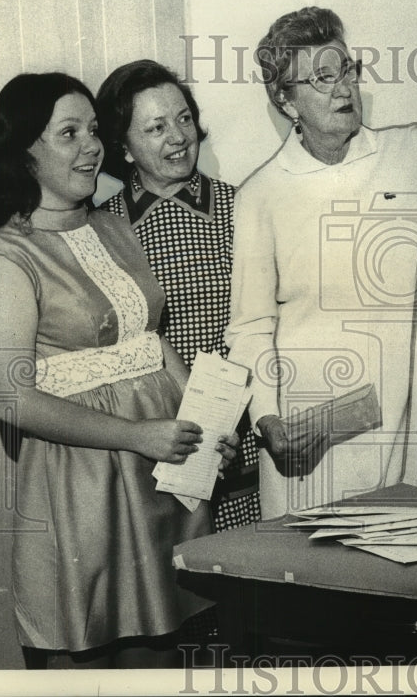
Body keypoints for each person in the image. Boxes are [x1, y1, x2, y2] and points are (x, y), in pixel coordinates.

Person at [0, 72, 236, 668]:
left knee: (175, 650)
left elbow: (149, 339)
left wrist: (207, 420)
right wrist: (138, 437)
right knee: (101, 654)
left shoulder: (115, 227)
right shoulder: (7, 258)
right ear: (24, 155)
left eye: (93, 130)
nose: (91, 145)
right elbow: (14, 402)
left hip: (166, 479)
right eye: (69, 133)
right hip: (84, 485)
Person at [225, 7, 417, 518]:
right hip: (309, 438)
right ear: (284, 99)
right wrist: (268, 420)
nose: (343, 88)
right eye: (320, 78)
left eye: (345, 70)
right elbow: (250, 327)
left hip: (411, 425)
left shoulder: (413, 152)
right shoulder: (260, 195)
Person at [97, 60, 259, 531]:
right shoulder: (103, 227)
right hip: (156, 444)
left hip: (241, 440)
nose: (178, 137)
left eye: (184, 118)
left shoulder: (241, 206)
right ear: (124, 148)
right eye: (156, 127)